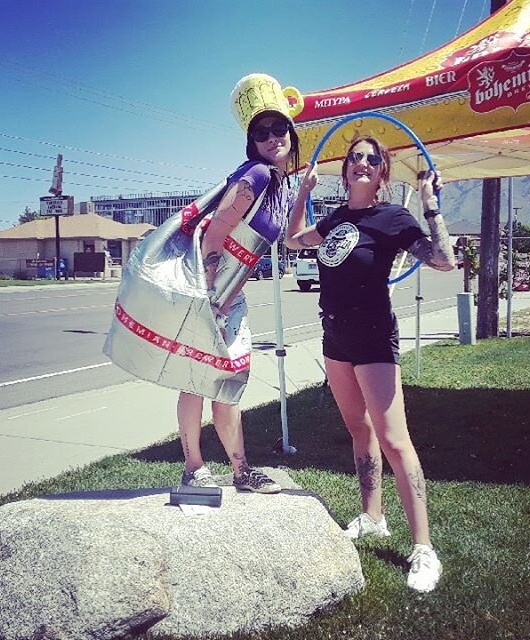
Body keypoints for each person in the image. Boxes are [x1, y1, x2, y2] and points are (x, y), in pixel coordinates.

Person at [285, 136, 455, 592]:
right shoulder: (338, 218)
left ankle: (424, 548)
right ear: (346, 171)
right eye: (355, 157)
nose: (362, 163)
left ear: (382, 172)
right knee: (359, 431)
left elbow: (443, 260)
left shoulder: (393, 218)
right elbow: (292, 238)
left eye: (372, 159)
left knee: (394, 440)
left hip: (374, 335)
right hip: (335, 334)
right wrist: (303, 190)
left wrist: (430, 205)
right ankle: (372, 517)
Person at [178, 73, 300, 494]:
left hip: (229, 292)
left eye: (278, 126)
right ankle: (198, 468)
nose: (272, 137)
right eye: (260, 131)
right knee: (201, 380)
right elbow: (214, 234)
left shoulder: (279, 181)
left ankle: (236, 470)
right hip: (212, 292)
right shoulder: (258, 176)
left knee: (223, 382)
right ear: (251, 140)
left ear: (290, 128)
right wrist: (212, 297)